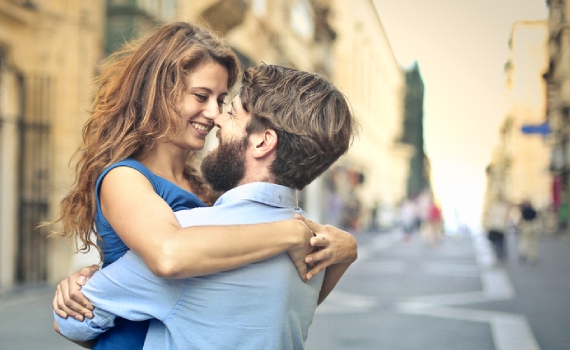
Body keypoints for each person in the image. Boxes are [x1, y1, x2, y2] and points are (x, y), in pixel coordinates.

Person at [49, 22, 356, 349]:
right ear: (159, 92)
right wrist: (292, 233)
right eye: (201, 96)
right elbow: (169, 254)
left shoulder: (208, 195)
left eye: (223, 100)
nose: (215, 114)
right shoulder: (126, 178)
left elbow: (251, 304)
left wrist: (343, 250)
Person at [484, 196, 510, 262]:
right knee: (500, 243)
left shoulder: (492, 206)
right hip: (500, 227)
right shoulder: (503, 207)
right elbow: (506, 216)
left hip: (494, 227)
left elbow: (488, 215)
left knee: (496, 243)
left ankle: (497, 255)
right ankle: (499, 256)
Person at [518, 199, 539, 264]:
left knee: (524, 241)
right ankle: (532, 257)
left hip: (526, 226)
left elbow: (521, 219)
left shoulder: (524, 211)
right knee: (533, 243)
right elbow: (536, 219)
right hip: (533, 226)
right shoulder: (534, 211)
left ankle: (523, 253)